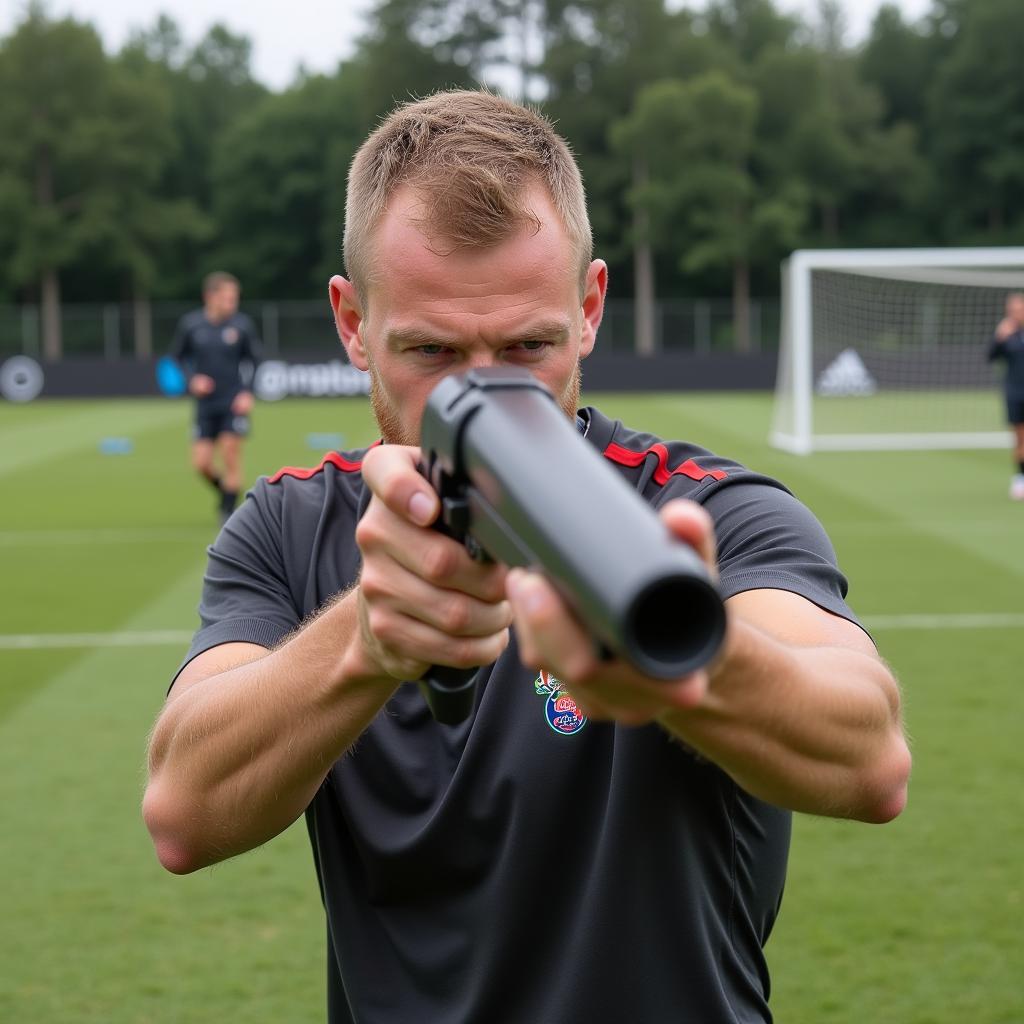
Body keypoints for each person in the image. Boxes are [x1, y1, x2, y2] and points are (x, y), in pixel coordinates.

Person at [143, 91, 910, 1023]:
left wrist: (696, 669)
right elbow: (183, 811)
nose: (482, 394)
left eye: (527, 346)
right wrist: (364, 644)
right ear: (353, 325)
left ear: (588, 309)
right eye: (430, 349)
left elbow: (871, 755)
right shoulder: (293, 524)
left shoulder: (701, 510)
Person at [171, 271, 260, 522]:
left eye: (235, 299)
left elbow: (255, 360)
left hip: (233, 401)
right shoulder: (191, 325)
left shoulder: (241, 325)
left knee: (231, 453)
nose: (232, 304)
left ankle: (228, 512)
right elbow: (177, 358)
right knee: (201, 464)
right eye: (227, 298)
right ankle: (227, 492)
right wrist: (192, 381)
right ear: (210, 296)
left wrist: (247, 392)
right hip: (205, 404)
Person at [988, 291, 1024, 500]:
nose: (1016, 313)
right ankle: (1020, 478)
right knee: (1020, 439)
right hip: (1015, 393)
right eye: (1012, 310)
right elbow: (991, 356)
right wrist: (999, 337)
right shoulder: (1007, 333)